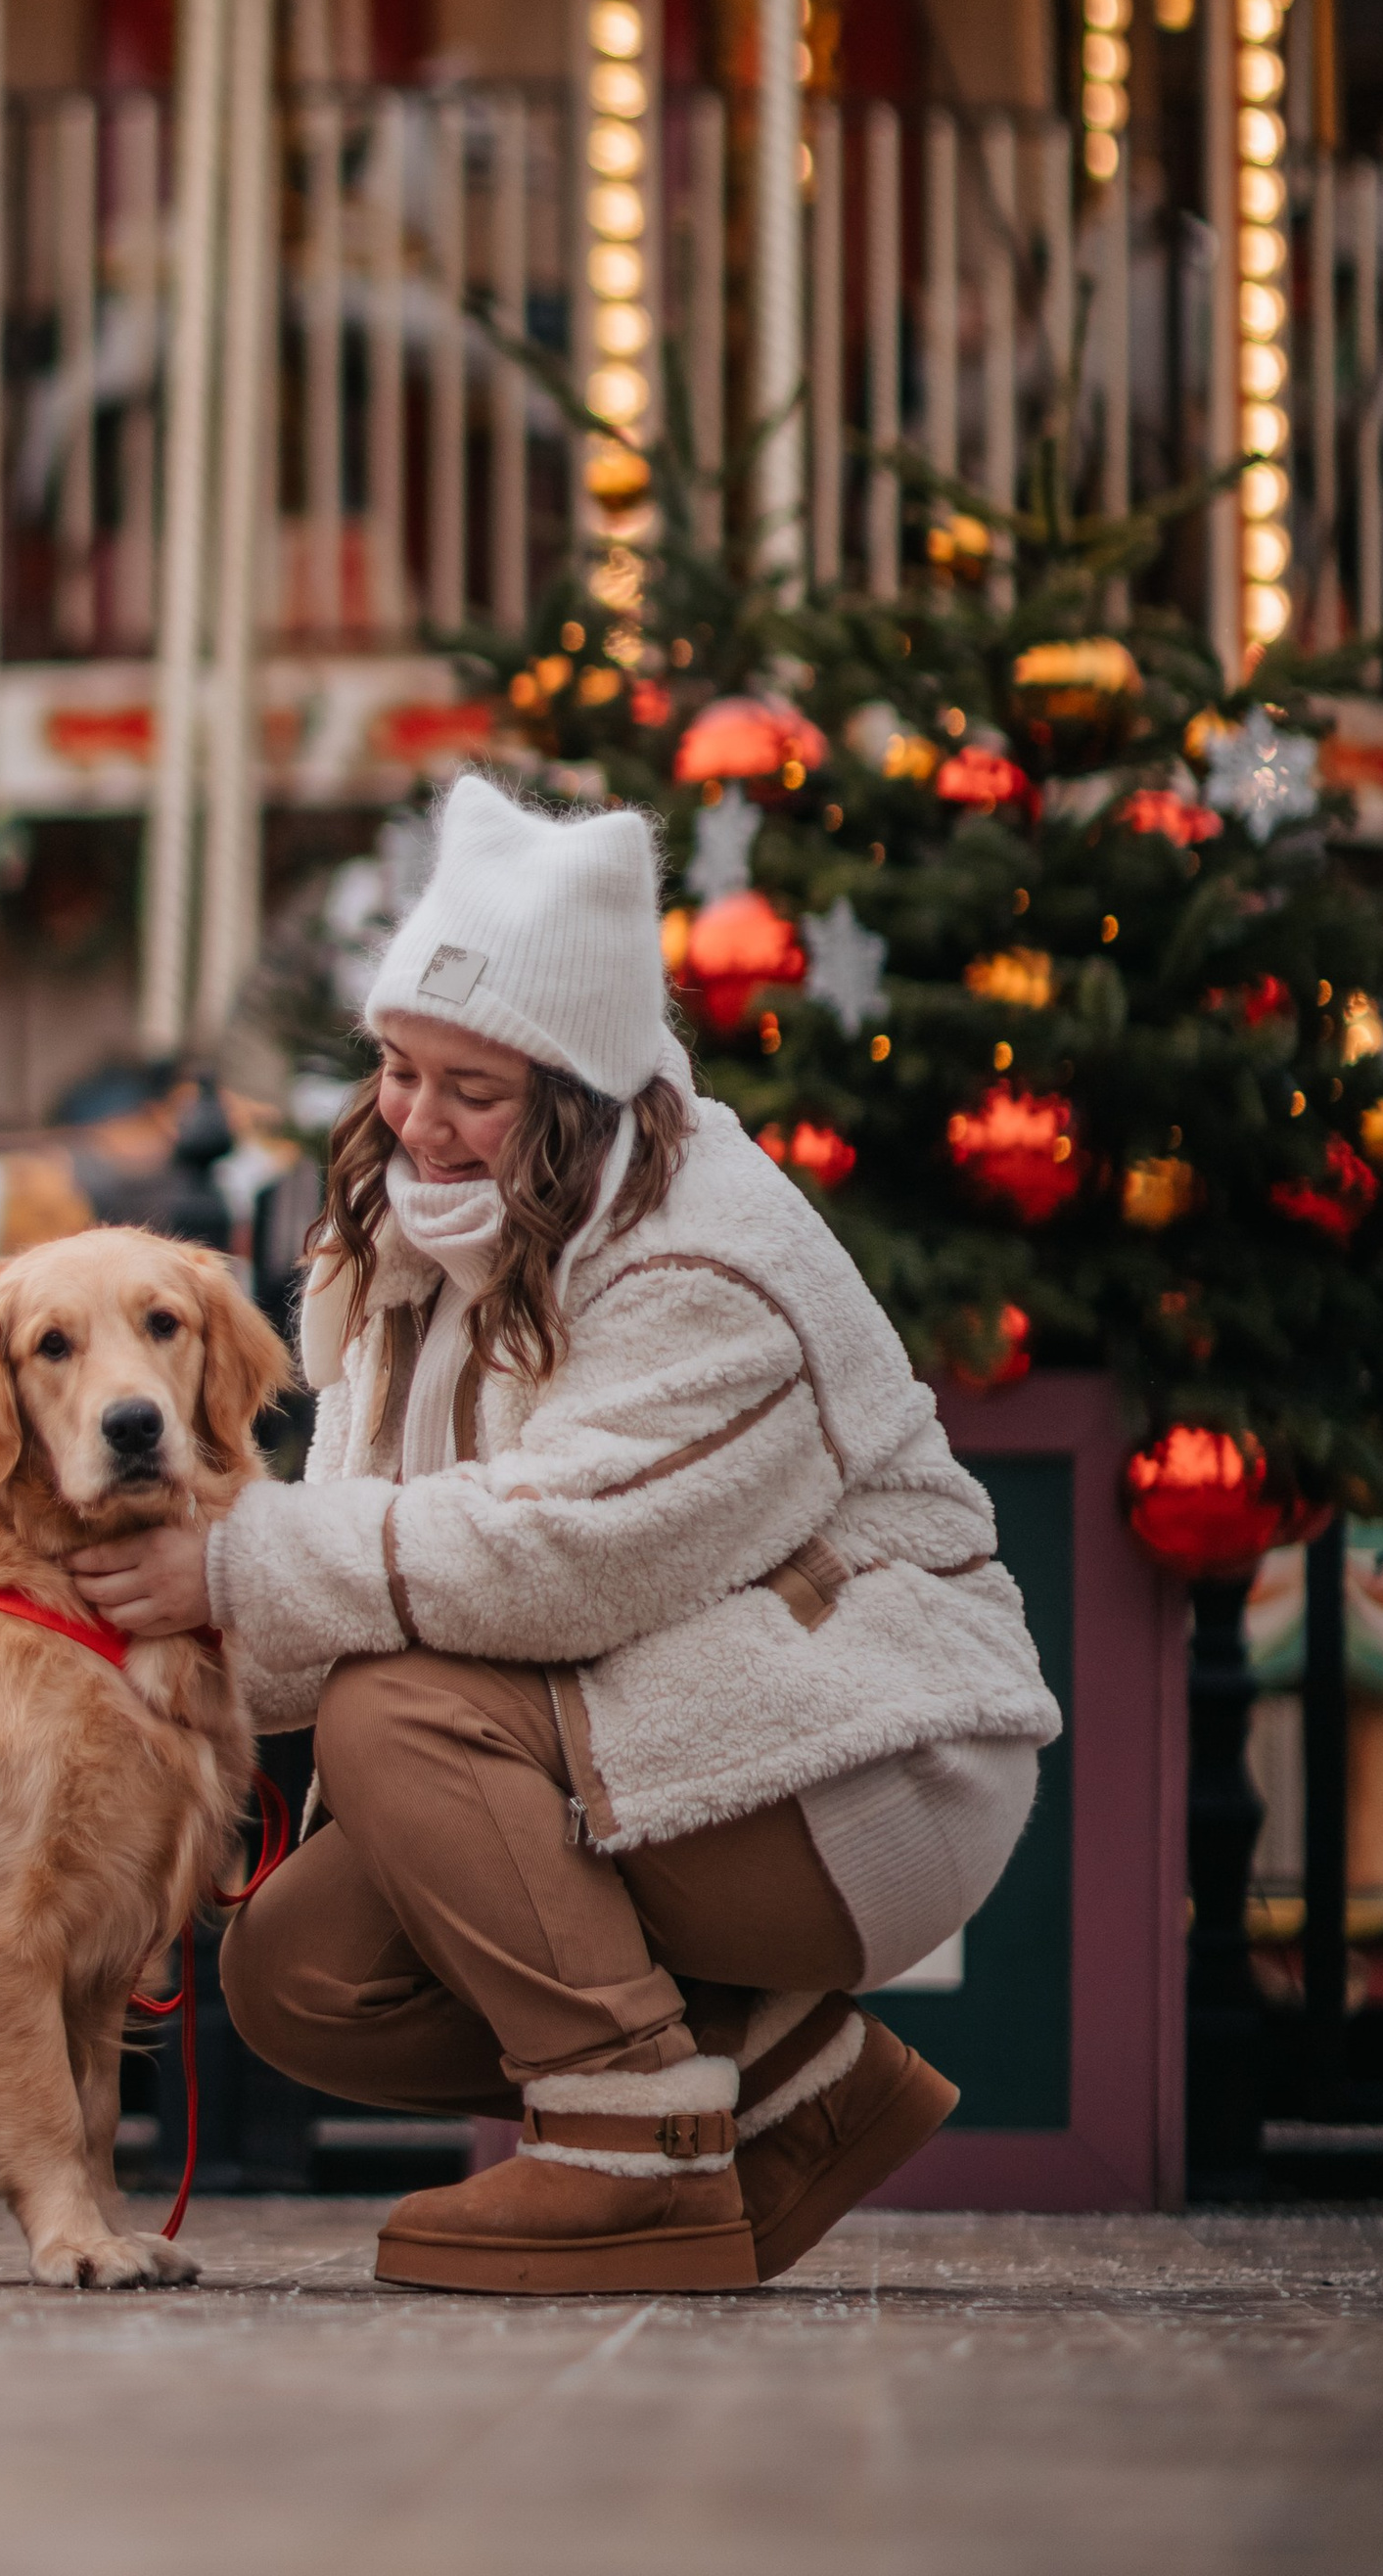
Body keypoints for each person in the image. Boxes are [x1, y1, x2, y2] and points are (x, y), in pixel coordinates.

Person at [73, 774, 1060, 2296]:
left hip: (866, 1747)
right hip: (661, 1723)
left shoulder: (707, 1255)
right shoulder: (415, 1236)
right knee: (296, 1975)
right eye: (400, 1068)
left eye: (475, 1087)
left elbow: (556, 1558)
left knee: (398, 1700)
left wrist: (224, 1572)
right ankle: (792, 2087)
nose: (417, 1119)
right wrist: (107, 1658)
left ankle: (633, 2155)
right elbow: (362, 1550)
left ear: (584, 1089)